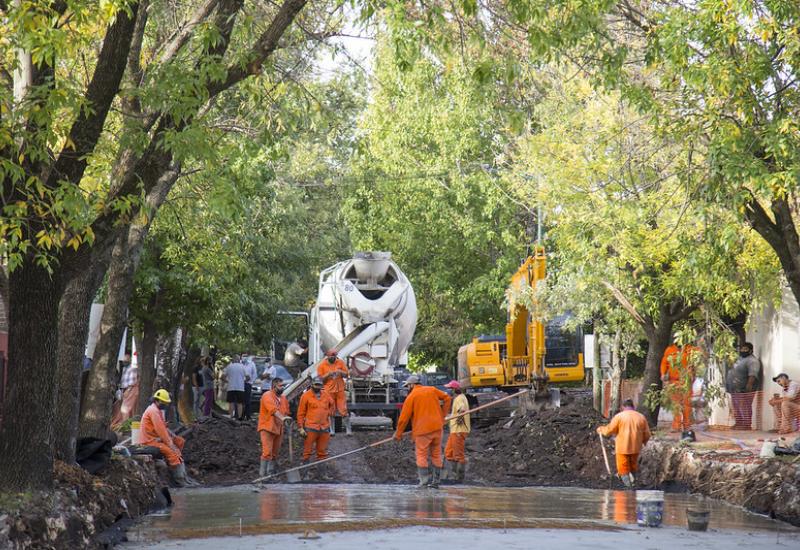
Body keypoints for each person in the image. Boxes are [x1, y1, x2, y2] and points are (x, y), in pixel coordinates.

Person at [394, 375, 452, 488]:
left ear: (411, 385)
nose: (407, 388)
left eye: (408, 386)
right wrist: (443, 416)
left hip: (422, 431)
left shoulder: (411, 397)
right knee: (436, 454)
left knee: (421, 455)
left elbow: (403, 419)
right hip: (437, 428)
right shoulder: (432, 390)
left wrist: (398, 434)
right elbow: (447, 398)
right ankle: (436, 482)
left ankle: (424, 482)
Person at [596, 398, 651, 489]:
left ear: (623, 407)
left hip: (622, 448)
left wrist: (601, 429)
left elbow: (609, 430)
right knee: (633, 467)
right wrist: (644, 442)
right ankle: (633, 484)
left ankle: (629, 488)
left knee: (623, 469)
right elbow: (647, 434)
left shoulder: (619, 417)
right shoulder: (641, 417)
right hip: (636, 448)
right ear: (633, 406)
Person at [141, 389, 187, 486]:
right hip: (149, 441)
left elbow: (163, 427)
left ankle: (178, 469)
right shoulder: (153, 411)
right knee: (173, 453)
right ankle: (179, 479)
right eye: (164, 402)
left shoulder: (157, 410)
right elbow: (161, 431)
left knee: (179, 441)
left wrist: (172, 436)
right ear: (157, 400)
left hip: (157, 438)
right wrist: (171, 445)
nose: (165, 405)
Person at [297, 377, 335, 477]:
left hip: (324, 427)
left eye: (319, 385)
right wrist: (300, 427)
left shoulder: (326, 394)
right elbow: (300, 413)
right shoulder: (305, 396)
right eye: (316, 385)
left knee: (322, 452)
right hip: (310, 428)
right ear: (312, 385)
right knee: (307, 452)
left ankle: (322, 475)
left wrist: (329, 412)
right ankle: (305, 475)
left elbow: (332, 404)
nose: (318, 387)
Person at [660, 343, 700, 432]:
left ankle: (687, 426)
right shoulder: (669, 350)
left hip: (686, 382)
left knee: (687, 405)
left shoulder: (690, 349)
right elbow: (664, 363)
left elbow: (698, 357)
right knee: (676, 405)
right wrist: (663, 373)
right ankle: (676, 426)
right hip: (673, 382)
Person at [257, 377, 291, 477]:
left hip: (278, 428)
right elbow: (273, 410)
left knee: (275, 453)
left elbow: (286, 411)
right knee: (267, 452)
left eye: (283, 385)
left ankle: (270, 474)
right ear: (274, 386)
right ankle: (262, 476)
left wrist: (287, 419)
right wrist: (282, 418)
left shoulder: (283, 398)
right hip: (267, 427)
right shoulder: (267, 396)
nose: (283, 387)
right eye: (280, 386)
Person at [730, 342, 763, 430]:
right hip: (736, 387)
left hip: (746, 387)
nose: (743, 351)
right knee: (736, 405)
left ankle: (746, 425)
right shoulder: (740, 359)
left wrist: (749, 385)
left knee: (745, 405)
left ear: (751, 350)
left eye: (745, 349)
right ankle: (739, 423)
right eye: (742, 349)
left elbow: (752, 374)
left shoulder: (753, 361)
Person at [317, 350, 351, 436]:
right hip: (328, 391)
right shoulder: (322, 365)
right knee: (330, 411)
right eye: (331, 356)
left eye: (334, 356)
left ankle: (348, 430)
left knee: (343, 410)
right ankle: (331, 430)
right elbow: (320, 379)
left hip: (340, 390)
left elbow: (346, 374)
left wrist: (340, 372)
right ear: (327, 356)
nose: (333, 358)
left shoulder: (340, 362)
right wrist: (328, 374)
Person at [443, 380, 470, 482]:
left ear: (454, 390)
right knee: (448, 452)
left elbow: (462, 410)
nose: (448, 391)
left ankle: (459, 478)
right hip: (455, 429)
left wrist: (458, 422)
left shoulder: (459, 399)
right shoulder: (460, 398)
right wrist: (450, 417)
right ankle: (452, 475)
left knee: (458, 455)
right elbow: (458, 413)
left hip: (458, 430)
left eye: (450, 389)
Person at [111, 354, 139, 430]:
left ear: (130, 360)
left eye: (126, 360)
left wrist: (128, 390)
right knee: (123, 408)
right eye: (124, 360)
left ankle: (125, 427)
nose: (124, 362)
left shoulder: (132, 368)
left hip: (130, 389)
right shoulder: (125, 368)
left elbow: (133, 382)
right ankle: (125, 425)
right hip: (125, 390)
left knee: (125, 409)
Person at [223, 355, 246, 420]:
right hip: (240, 387)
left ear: (233, 360)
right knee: (240, 403)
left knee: (231, 402)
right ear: (239, 360)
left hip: (231, 387)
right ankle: (239, 417)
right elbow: (248, 377)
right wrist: (243, 381)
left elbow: (222, 376)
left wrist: (227, 381)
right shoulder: (242, 367)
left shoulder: (229, 366)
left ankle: (230, 416)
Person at [242, 354, 258, 421]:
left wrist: (251, 382)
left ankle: (248, 416)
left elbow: (254, 374)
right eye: (243, 356)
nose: (244, 357)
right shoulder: (239, 363)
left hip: (248, 384)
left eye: (245, 356)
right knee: (240, 401)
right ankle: (241, 415)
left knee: (248, 400)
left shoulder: (251, 364)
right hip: (240, 384)